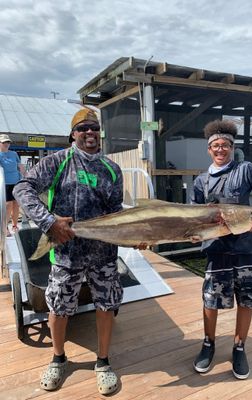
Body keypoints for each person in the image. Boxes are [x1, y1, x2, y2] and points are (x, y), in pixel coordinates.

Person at [13, 109, 126, 395]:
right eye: (83, 128)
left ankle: (102, 361)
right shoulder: (58, 161)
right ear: (73, 134)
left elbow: (116, 216)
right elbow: (22, 189)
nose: (90, 133)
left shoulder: (113, 169)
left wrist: (134, 237)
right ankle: (58, 358)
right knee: (59, 307)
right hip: (66, 253)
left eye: (94, 128)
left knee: (106, 305)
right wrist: (49, 222)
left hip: (104, 255)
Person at [192, 119, 252, 380]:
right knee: (211, 300)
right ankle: (208, 343)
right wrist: (194, 234)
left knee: (247, 299)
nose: (221, 149)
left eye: (226, 145)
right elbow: (193, 215)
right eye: (216, 146)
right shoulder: (200, 181)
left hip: (246, 249)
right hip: (216, 249)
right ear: (209, 149)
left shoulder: (246, 170)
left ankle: (239, 347)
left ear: (232, 147)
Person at [0, 134, 24, 236]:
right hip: (4, 183)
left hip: (16, 182)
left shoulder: (14, 154)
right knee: (8, 205)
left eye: (8, 142)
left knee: (16, 204)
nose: (6, 144)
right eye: (4, 142)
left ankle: (15, 226)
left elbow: (20, 166)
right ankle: (4, 228)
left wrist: (27, 177)